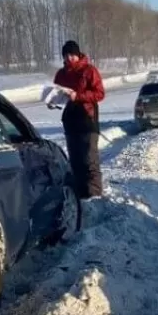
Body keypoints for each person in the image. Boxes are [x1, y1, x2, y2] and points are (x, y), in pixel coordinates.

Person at [53, 40, 106, 198]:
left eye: (72, 55)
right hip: (70, 121)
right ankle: (80, 197)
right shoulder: (61, 74)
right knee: (75, 162)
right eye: (66, 55)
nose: (69, 58)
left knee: (89, 161)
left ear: (78, 54)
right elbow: (57, 95)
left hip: (87, 119)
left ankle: (95, 196)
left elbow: (100, 93)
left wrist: (78, 96)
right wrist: (52, 103)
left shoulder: (89, 71)